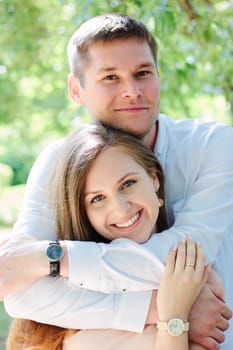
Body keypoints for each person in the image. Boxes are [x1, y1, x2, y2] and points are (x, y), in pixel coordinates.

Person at [1, 12, 233, 349]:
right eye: (110, 77)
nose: (132, 91)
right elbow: (19, 291)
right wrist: (161, 309)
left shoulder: (214, 146)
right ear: (76, 89)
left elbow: (182, 259)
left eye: (143, 73)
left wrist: (53, 258)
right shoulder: (55, 165)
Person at [6, 124, 209, 350]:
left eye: (128, 184)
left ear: (154, 179)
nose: (121, 209)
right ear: (84, 214)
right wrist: (172, 316)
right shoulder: (67, 312)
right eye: (97, 199)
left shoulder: (192, 271)